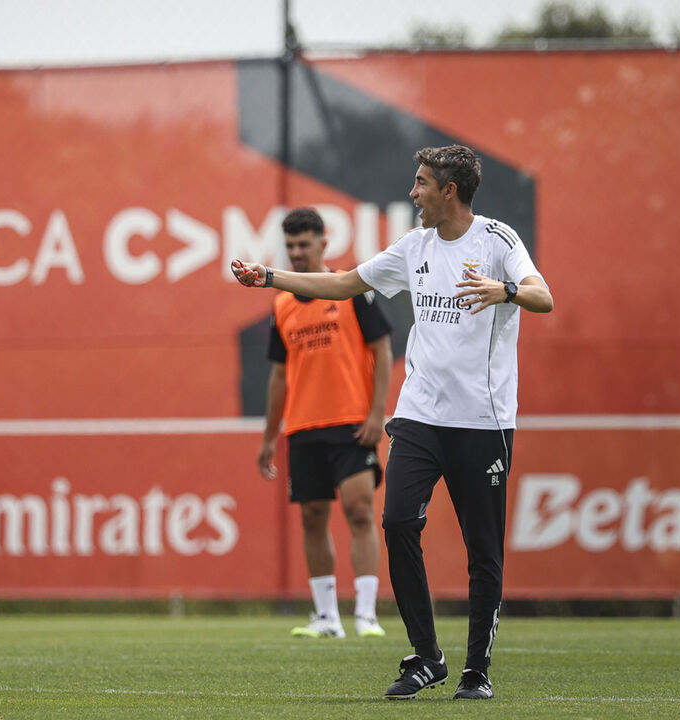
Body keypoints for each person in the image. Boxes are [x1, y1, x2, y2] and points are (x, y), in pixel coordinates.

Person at [231, 145, 553, 701]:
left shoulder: (497, 240)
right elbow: (343, 284)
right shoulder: (414, 247)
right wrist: (269, 278)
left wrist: (502, 291)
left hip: (484, 422)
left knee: (483, 552)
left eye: (422, 183)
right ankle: (428, 657)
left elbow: (542, 297)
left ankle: (477, 671)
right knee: (399, 523)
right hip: (420, 416)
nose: (413, 193)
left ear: (448, 191)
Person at [260, 207, 393, 640]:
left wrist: (377, 413)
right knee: (313, 517)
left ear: (323, 243)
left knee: (358, 511)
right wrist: (268, 437)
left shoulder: (350, 289)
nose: (297, 253)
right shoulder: (282, 305)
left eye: (304, 244)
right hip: (303, 427)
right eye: (291, 246)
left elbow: (383, 350)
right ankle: (326, 618)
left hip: (352, 422)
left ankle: (367, 615)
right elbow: (279, 377)